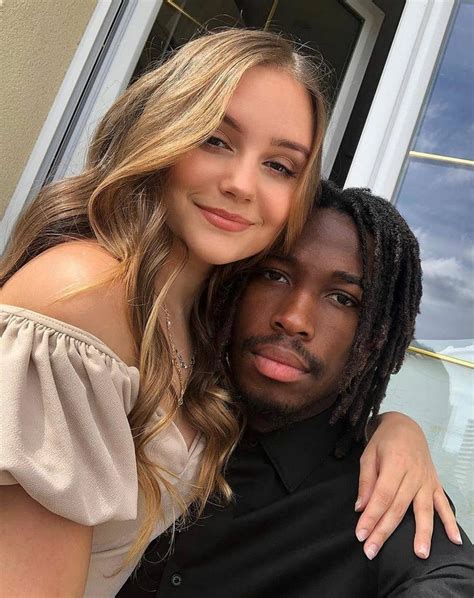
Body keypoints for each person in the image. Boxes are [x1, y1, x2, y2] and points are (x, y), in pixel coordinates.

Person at [0, 29, 459, 597]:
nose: (242, 184)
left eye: (280, 166)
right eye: (216, 140)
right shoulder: (85, 295)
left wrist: (396, 426)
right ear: (163, 134)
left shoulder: (196, 323)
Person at [119, 182, 474, 597]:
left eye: (342, 298)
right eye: (274, 275)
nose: (294, 318)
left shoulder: (385, 496)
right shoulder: (140, 409)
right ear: (233, 283)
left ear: (376, 335)